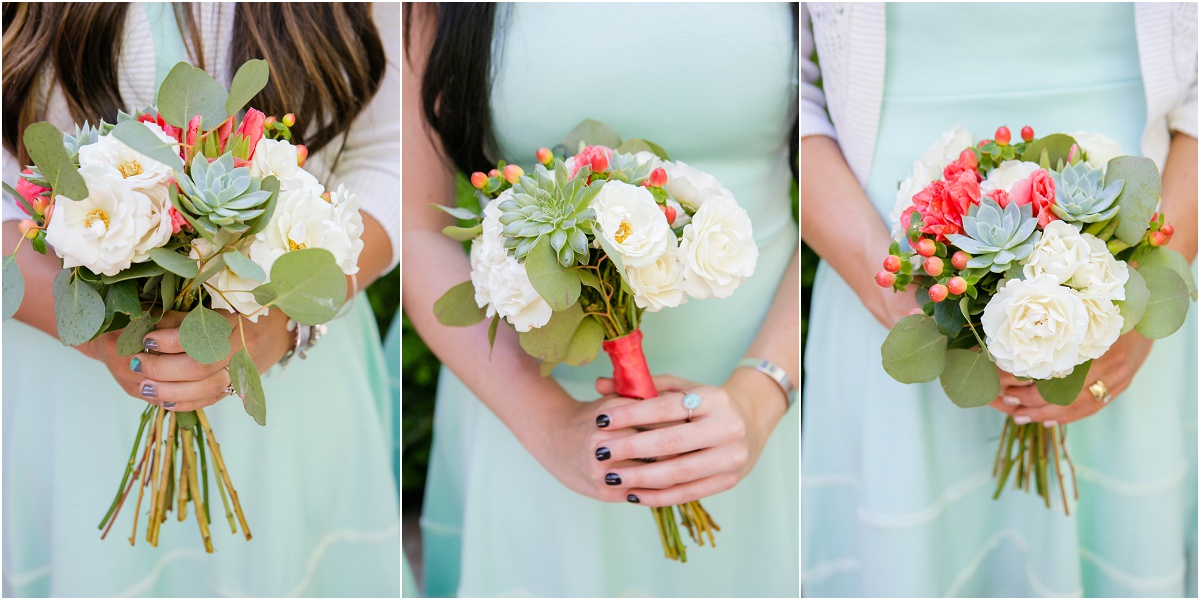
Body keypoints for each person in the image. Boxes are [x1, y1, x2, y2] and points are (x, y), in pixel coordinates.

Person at [1, 3, 401, 596]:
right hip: (61, 386)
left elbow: (386, 157)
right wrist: (103, 334)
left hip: (292, 390)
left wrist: (288, 315)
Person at [801, 3, 1198, 597]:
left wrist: (1128, 319)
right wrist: (894, 294)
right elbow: (781, 101)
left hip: (1135, 251)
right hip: (888, 267)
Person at [403, 3, 799, 597]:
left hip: (757, 401)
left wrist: (763, 391)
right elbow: (417, 226)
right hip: (527, 411)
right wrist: (552, 428)